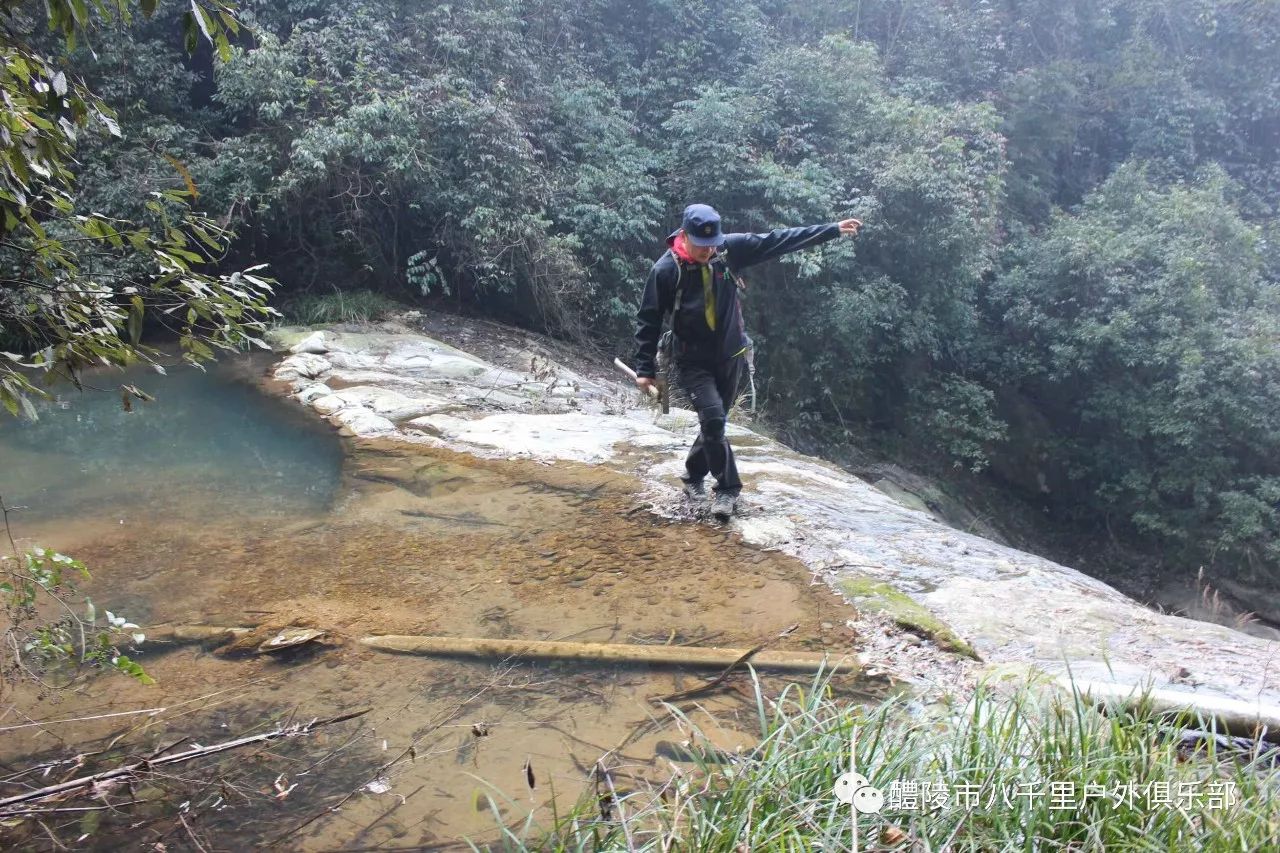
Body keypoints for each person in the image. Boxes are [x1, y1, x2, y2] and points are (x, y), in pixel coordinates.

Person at [633, 203, 862, 520]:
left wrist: (832, 229)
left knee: (715, 425)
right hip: (692, 362)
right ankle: (727, 490)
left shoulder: (727, 251)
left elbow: (777, 240)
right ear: (685, 235)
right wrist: (644, 369)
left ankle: (692, 475)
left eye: (713, 243)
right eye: (701, 245)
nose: (708, 250)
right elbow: (648, 319)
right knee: (713, 419)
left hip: (732, 356)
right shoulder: (666, 270)